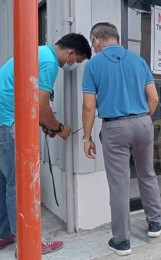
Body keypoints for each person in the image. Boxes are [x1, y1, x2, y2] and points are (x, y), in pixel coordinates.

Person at [0, 33, 92, 254]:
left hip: (2, 121)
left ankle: (5, 234)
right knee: (18, 185)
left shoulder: (38, 52)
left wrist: (44, 124)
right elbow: (41, 105)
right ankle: (27, 243)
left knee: (5, 182)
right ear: (70, 53)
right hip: (7, 122)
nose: (73, 66)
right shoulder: (50, 62)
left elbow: (29, 99)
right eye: (77, 61)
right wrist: (59, 128)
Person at [82, 22, 161, 256]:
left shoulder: (93, 64)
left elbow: (89, 107)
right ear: (115, 38)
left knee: (119, 184)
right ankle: (156, 223)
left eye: (92, 43)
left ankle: (121, 242)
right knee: (147, 173)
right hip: (142, 122)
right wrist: (142, 120)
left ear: (97, 39)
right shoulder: (139, 61)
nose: (93, 46)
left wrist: (87, 138)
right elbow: (154, 99)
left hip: (114, 127)